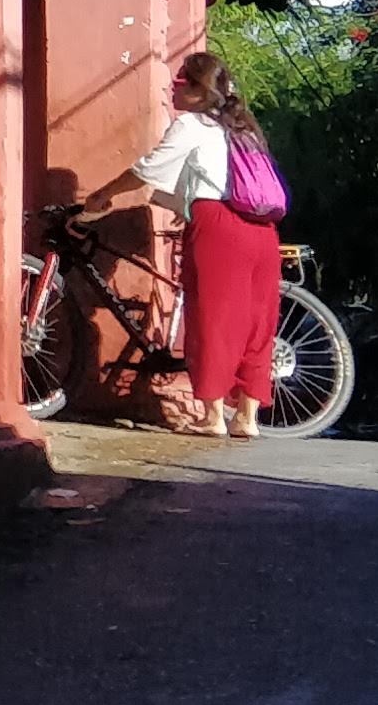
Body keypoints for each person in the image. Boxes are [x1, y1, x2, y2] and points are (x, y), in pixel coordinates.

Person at [91, 49, 285, 438]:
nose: (171, 89)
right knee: (256, 323)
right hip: (263, 232)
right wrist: (183, 202)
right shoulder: (243, 127)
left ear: (198, 90)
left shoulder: (192, 126)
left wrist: (102, 195)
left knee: (213, 319)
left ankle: (212, 416)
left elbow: (147, 170)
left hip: (219, 229)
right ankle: (247, 417)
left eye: (179, 82)